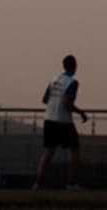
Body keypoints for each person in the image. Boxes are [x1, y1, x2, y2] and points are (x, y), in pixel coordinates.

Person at [34, 54, 90, 190]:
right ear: (75, 67)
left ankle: (38, 183)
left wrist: (54, 104)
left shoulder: (53, 80)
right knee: (74, 150)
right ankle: (71, 182)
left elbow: (45, 99)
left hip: (49, 119)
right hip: (63, 121)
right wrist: (82, 113)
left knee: (49, 152)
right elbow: (67, 104)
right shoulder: (72, 82)